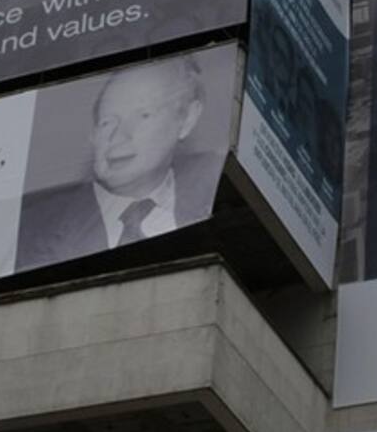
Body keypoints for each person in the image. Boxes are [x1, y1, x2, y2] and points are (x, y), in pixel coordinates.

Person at [16, 55, 223, 271]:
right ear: (93, 135)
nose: (118, 136)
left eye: (143, 115)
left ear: (187, 120)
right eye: (107, 122)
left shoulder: (222, 206)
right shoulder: (30, 231)